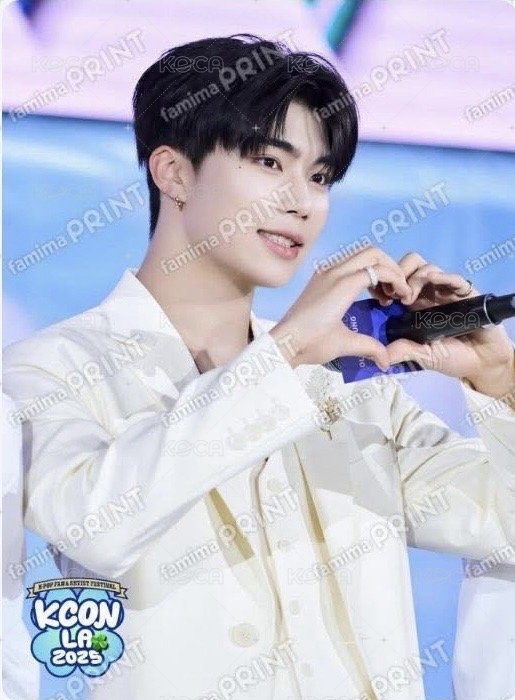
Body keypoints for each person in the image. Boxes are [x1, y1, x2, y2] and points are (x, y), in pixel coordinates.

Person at [3, 34, 515, 700]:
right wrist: (285, 353)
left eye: (320, 177)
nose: (302, 201)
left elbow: (499, 525)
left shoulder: (352, 383)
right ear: (173, 173)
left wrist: (500, 384)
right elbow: (95, 525)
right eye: (269, 162)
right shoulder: (52, 369)